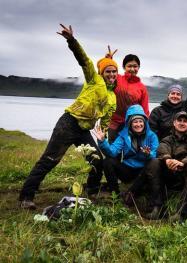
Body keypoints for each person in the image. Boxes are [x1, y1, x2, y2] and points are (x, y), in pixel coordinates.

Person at [19, 24, 117, 209]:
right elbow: (84, 60)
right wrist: (72, 41)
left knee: (97, 161)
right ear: (101, 73)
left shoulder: (113, 97)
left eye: (114, 71)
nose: (111, 74)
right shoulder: (93, 79)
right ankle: (26, 197)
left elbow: (105, 121)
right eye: (108, 71)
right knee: (50, 160)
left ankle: (91, 194)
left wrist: (104, 136)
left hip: (84, 130)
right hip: (69, 123)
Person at [145, 111, 187, 220]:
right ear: (174, 123)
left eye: (185, 121)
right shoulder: (167, 139)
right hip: (170, 175)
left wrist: (183, 162)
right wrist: (167, 159)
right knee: (153, 162)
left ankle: (182, 211)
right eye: (179, 120)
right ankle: (158, 207)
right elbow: (162, 148)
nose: (182, 123)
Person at [94, 104, 159, 200]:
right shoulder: (123, 135)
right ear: (129, 123)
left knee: (151, 165)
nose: (138, 124)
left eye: (141, 121)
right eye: (135, 122)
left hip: (144, 171)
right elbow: (113, 152)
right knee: (107, 161)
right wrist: (102, 141)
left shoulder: (152, 136)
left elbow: (156, 154)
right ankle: (114, 194)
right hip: (127, 170)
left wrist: (148, 154)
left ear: (145, 122)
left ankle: (131, 193)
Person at [108, 54, 149, 142]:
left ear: (139, 67)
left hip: (132, 126)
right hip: (113, 123)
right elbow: (104, 75)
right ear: (123, 67)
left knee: (129, 152)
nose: (132, 69)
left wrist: (146, 128)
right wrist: (108, 61)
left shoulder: (142, 87)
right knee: (112, 152)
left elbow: (145, 111)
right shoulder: (116, 79)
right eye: (129, 66)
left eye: (135, 66)